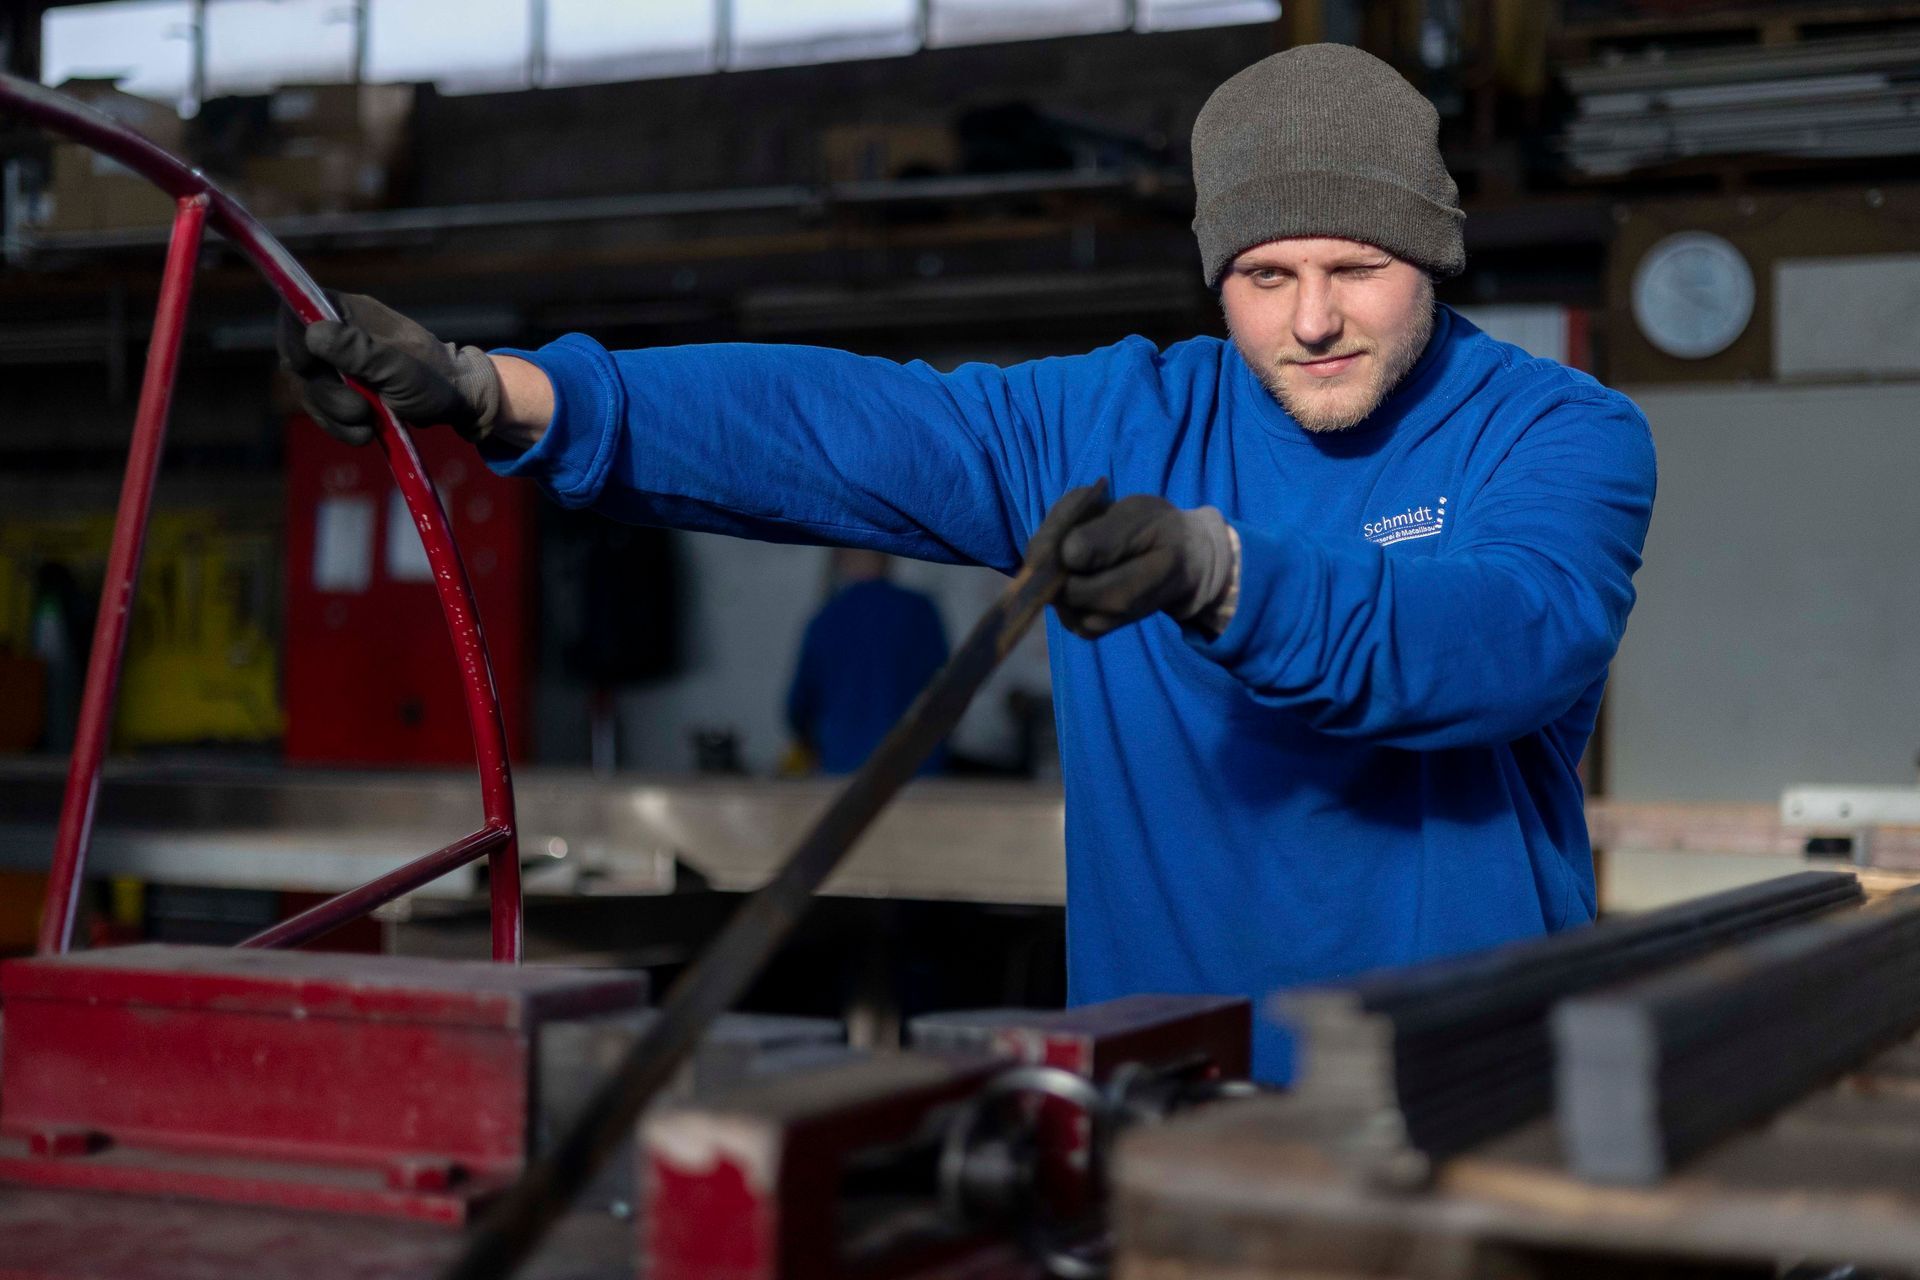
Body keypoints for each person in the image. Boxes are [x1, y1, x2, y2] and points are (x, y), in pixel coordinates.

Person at [278, 44, 1656, 1081]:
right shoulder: (1123, 421)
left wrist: (1221, 574)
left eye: (1354, 268)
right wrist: (495, 390)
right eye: (1261, 275)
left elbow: (1505, 638)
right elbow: (850, 429)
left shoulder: (1560, 436)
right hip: (1161, 1094)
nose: (1307, 323)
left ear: (1436, 248)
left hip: (1464, 1099)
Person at [786, 548, 950, 775]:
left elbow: (799, 708)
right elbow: (949, 691)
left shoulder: (826, 620)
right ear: (888, 558)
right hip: (915, 770)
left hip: (844, 773)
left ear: (839, 560)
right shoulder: (919, 612)